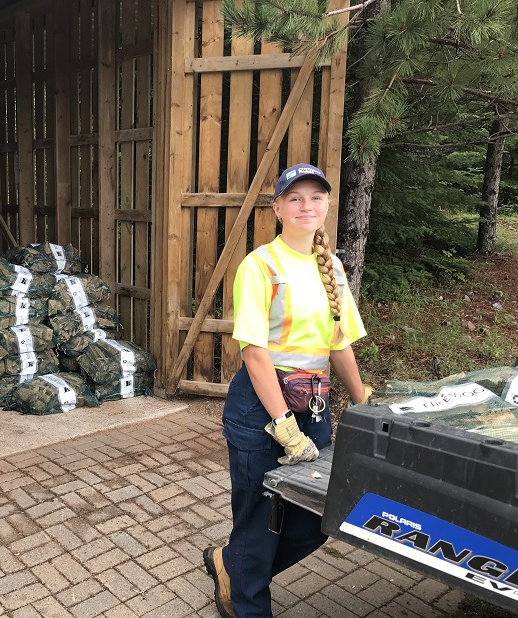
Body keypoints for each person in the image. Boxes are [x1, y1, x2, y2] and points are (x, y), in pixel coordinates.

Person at [203, 163, 371, 618]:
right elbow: (253, 353)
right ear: (277, 207)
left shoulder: (331, 267)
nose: (306, 206)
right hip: (262, 406)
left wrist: (366, 405)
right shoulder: (259, 265)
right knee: (261, 521)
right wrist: (282, 425)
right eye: (294, 198)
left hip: (313, 405)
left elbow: (339, 344)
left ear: (328, 205)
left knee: (321, 516)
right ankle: (247, 601)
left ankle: (233, 566)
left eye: (316, 197)